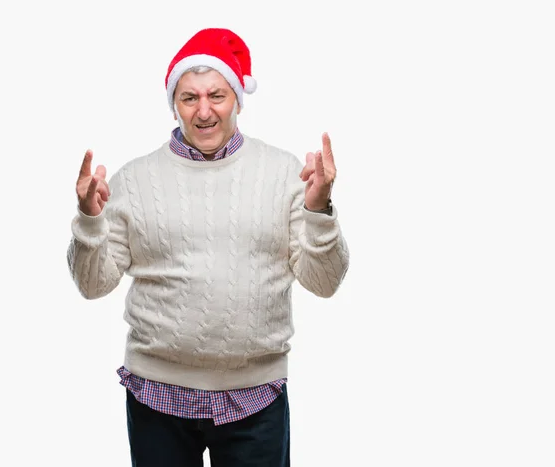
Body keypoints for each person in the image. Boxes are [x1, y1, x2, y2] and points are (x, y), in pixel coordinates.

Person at [67, 27, 349, 467]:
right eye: (189, 97)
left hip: (256, 400)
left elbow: (325, 282)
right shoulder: (134, 180)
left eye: (217, 95)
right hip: (156, 397)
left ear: (237, 98)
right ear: (173, 103)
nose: (204, 111)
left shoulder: (283, 174)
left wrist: (319, 210)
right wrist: (88, 219)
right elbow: (92, 284)